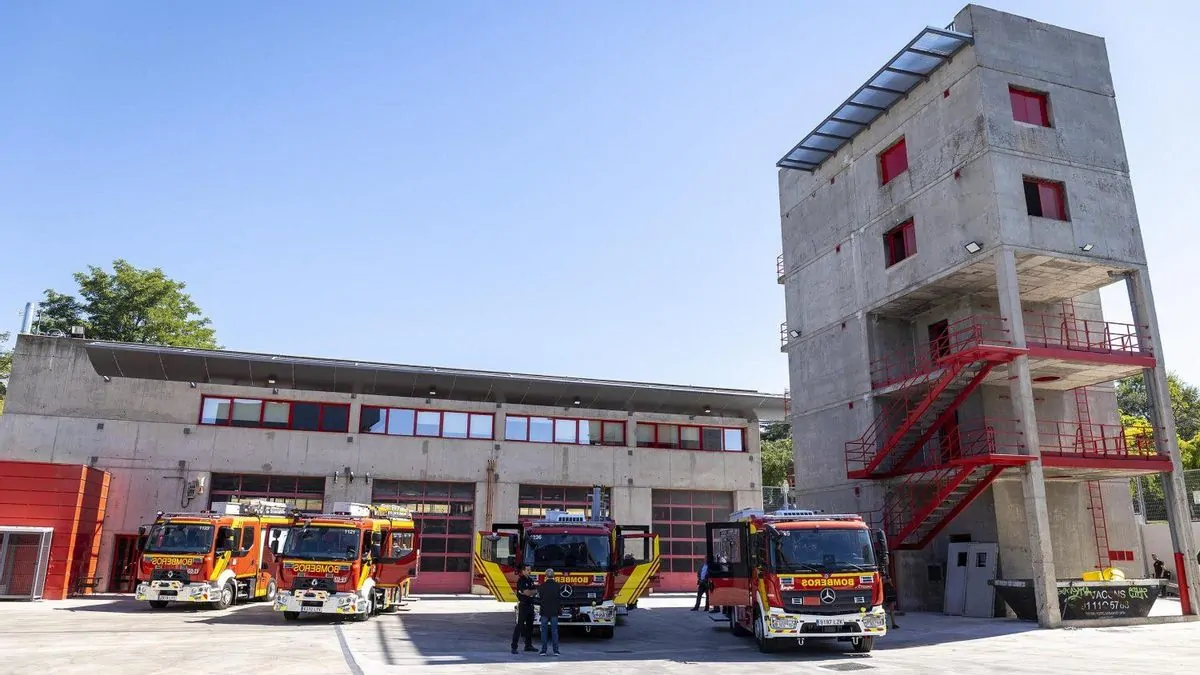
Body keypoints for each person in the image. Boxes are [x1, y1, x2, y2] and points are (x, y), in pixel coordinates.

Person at [510, 564, 537, 654]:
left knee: (530, 626)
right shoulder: (521, 580)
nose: (530, 571)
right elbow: (528, 592)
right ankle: (514, 646)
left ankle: (528, 645)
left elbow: (535, 591)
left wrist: (531, 592)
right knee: (520, 626)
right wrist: (531, 592)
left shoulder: (530, 580)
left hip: (530, 605)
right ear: (523, 571)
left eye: (530, 570)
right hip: (523, 605)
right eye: (528, 570)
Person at [537, 568, 563, 656]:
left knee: (544, 631)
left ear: (546, 576)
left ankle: (543, 650)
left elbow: (540, 597)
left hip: (544, 611)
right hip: (554, 611)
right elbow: (560, 599)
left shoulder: (542, 586)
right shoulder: (558, 586)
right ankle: (556, 651)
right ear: (554, 575)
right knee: (554, 631)